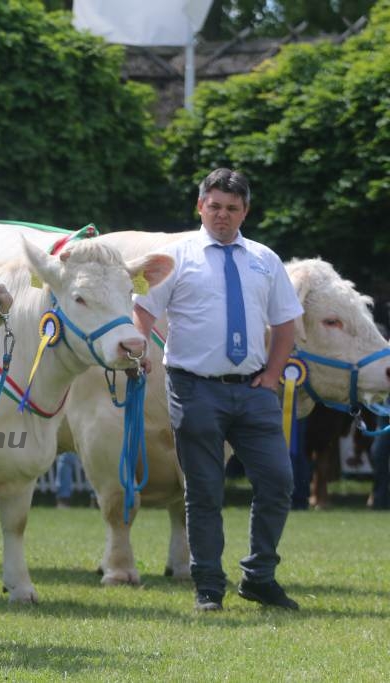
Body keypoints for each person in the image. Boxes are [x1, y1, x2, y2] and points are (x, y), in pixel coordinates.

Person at [132, 168, 303, 612]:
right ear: (200, 206)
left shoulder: (265, 258)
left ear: (245, 211)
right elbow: (143, 311)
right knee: (204, 490)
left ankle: (259, 576)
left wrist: (272, 374)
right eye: (215, 206)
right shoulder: (175, 256)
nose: (222, 215)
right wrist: (139, 351)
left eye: (232, 208)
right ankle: (208, 586)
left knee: (279, 481)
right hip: (194, 388)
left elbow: (286, 325)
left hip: (254, 390)